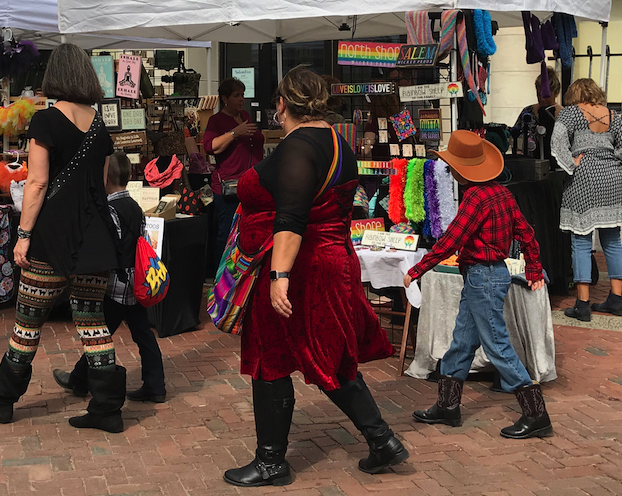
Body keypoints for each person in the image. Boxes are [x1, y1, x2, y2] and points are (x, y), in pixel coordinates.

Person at [223, 67, 405, 488]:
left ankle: (271, 462)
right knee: (328, 352)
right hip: (331, 261)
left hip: (305, 266)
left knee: (271, 357)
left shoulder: (299, 147)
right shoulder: (335, 141)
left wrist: (279, 275)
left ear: (282, 104)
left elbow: (291, 218)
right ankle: (382, 441)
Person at [0, 43, 132, 433]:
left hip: (53, 236)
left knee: (28, 320)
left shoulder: (45, 121)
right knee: (92, 322)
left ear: (54, 76)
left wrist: (23, 235)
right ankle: (108, 408)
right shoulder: (100, 124)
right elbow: (103, 183)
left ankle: (2, 398)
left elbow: (37, 182)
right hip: (94, 235)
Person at [403, 130, 552, 440]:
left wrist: (417, 269)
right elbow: (526, 233)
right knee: (461, 342)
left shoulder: (474, 198)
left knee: (497, 345)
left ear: (461, 171)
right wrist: (535, 269)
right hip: (487, 275)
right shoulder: (501, 193)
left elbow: (451, 241)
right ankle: (447, 406)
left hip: (482, 277)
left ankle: (536, 413)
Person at [54, 152, 167, 404]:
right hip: (136, 282)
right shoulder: (135, 207)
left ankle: (79, 380)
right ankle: (155, 384)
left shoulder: (110, 210)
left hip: (116, 286)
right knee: (143, 336)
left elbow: (108, 246)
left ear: (105, 177)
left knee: (97, 335)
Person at [551, 78, 622, 321]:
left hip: (585, 178)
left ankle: (583, 304)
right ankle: (616, 300)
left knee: (582, 242)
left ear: (573, 95)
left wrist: (570, 164)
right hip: (613, 179)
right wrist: (619, 171)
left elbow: (556, 142)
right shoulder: (612, 116)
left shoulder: (571, 114)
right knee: (612, 241)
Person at [204, 78, 265, 267]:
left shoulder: (245, 115)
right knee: (227, 232)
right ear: (224, 98)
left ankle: (241, 270)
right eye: (236, 95)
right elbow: (210, 146)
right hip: (229, 187)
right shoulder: (216, 120)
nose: (241, 99)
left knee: (249, 229)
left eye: (243, 95)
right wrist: (234, 133)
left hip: (251, 184)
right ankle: (220, 273)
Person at [510, 66, 562, 157]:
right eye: (538, 94)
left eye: (546, 95)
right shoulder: (527, 112)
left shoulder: (565, 115)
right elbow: (515, 136)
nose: (542, 99)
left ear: (556, 92)